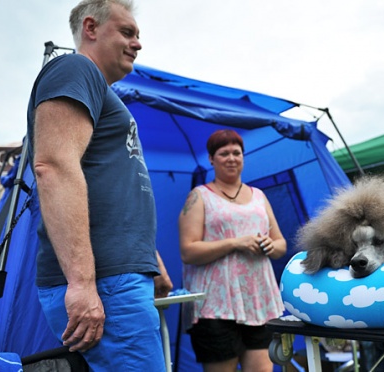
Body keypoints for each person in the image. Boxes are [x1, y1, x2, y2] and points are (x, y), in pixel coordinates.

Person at [26, 1, 172, 370]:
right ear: (90, 28)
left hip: (117, 279)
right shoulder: (76, 68)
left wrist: (149, 263)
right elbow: (54, 167)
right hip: (106, 284)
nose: (137, 44)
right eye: (127, 32)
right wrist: (81, 284)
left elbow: (111, 188)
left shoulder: (102, 94)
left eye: (137, 35)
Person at [178, 129, 286, 372]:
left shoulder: (258, 196)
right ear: (211, 159)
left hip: (259, 303)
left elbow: (280, 245)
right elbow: (188, 251)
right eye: (223, 153)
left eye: (236, 153)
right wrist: (235, 243)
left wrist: (270, 246)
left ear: (243, 157)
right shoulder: (199, 196)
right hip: (215, 307)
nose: (231, 158)